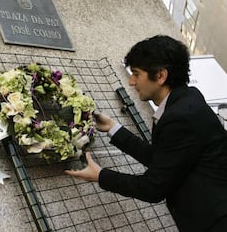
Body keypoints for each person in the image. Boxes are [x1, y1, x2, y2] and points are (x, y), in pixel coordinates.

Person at [65, 35, 227, 232]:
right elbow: (163, 160)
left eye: (136, 73)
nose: (132, 82)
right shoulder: (186, 102)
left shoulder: (181, 116)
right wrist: (114, 129)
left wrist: (100, 176)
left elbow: (153, 188)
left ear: (160, 76)